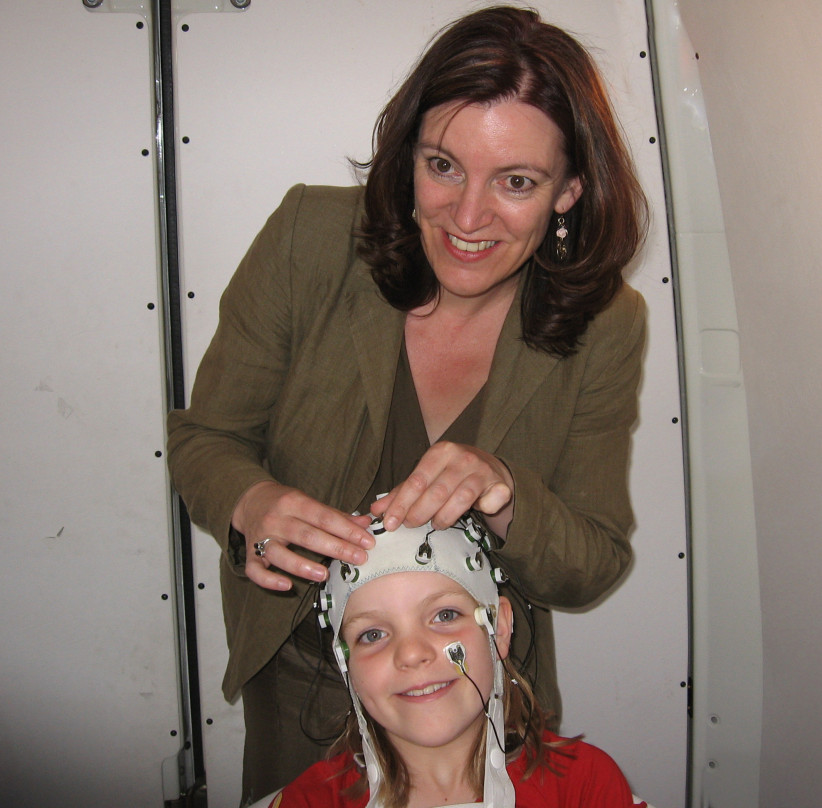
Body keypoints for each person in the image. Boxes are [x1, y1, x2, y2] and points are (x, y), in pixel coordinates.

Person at [166, 5, 647, 803]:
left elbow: (591, 563)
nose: (466, 218)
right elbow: (205, 440)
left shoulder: (606, 324)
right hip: (302, 678)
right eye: (444, 166)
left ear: (569, 192)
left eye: (517, 183)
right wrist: (250, 500)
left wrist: (505, 494)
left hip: (477, 696)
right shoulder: (309, 240)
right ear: (408, 156)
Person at [269, 517, 648, 808]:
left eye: (444, 615)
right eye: (372, 635)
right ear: (343, 659)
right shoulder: (314, 800)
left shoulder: (582, 786)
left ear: (498, 627)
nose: (412, 653)